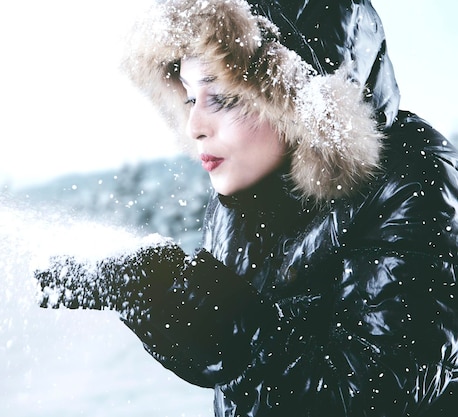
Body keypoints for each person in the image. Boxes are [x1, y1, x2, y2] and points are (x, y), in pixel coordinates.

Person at [34, 0, 458, 415]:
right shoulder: (241, 196)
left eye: (220, 98)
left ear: (300, 99)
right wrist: (156, 295)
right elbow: (235, 374)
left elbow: (367, 394)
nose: (194, 126)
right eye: (188, 97)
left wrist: (204, 310)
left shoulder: (412, 177)